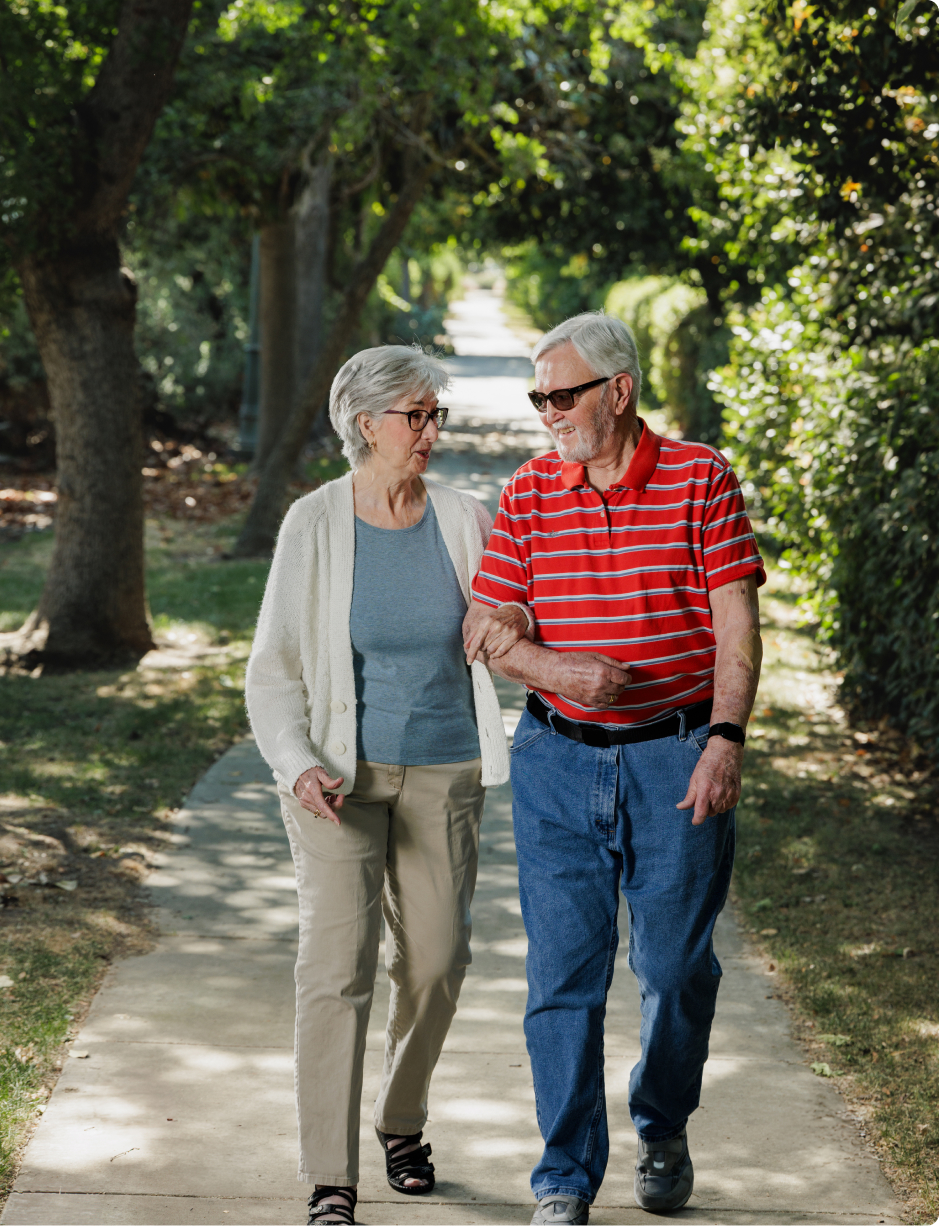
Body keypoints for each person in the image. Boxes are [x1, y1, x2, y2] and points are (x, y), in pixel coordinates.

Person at [465, 312, 765, 1224]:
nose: (547, 413)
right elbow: (485, 629)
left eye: (562, 395)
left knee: (675, 970)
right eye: (538, 398)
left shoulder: (699, 479)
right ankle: (563, 1175)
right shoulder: (528, 494)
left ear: (618, 391)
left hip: (675, 758)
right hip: (557, 760)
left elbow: (737, 625)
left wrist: (725, 739)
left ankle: (663, 1120)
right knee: (562, 977)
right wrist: (556, 670)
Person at [245, 345, 532, 1226]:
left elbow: (515, 610)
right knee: (336, 971)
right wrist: (297, 766)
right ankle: (331, 1176)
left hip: (444, 769)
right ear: (365, 423)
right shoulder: (315, 524)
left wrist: (514, 615)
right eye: (418, 415)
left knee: (439, 963)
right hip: (337, 779)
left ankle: (399, 1119)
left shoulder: (464, 517)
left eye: (435, 413)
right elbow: (273, 670)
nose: (432, 430)